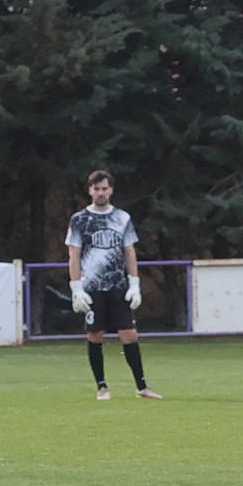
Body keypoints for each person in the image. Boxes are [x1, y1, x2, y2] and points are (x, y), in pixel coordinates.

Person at [66, 170, 161, 400]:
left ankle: (142, 386)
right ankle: (102, 387)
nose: (100, 193)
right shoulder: (79, 220)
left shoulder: (122, 218)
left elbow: (130, 251)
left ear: (111, 190)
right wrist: (76, 288)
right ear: (90, 190)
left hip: (118, 285)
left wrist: (134, 283)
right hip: (92, 288)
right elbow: (74, 255)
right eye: (96, 189)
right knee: (95, 335)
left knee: (130, 334)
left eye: (104, 188)